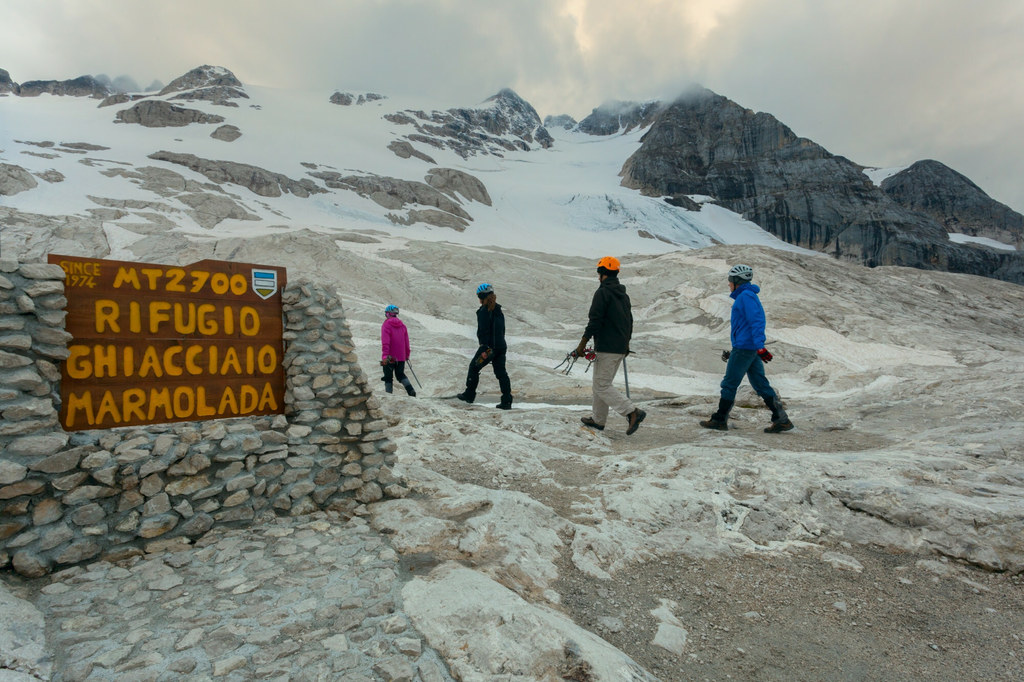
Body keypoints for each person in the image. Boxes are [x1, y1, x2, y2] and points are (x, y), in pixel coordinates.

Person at [700, 264, 793, 432]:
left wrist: (760, 347)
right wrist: (756, 348)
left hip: (744, 348)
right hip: (748, 348)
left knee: (729, 384)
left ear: (737, 281)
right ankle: (782, 419)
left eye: (730, 280)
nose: (728, 284)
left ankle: (720, 419)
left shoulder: (746, 297)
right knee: (760, 384)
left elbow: (756, 321)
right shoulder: (746, 296)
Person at [576, 257, 646, 435]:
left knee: (601, 385)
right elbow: (629, 321)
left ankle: (632, 412)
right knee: (600, 383)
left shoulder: (603, 293)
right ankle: (598, 420)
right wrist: (626, 344)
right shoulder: (623, 295)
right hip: (619, 347)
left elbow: (595, 320)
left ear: (602, 273)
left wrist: (582, 343)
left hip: (607, 346)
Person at [458, 283, 513, 409]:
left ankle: (469, 395)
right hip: (501, 347)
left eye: (478, 296)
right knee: (501, 373)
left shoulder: (484, 311)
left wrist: (484, 347)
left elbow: (483, 331)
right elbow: (502, 329)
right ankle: (507, 400)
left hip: (488, 348)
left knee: (473, 367)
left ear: (482, 296)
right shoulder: (498, 310)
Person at [380, 304, 416, 397]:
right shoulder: (403, 326)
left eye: (386, 313)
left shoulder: (386, 324)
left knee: (388, 377)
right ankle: (411, 391)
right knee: (400, 374)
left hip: (389, 356)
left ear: (388, 314)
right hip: (401, 356)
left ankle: (388, 395)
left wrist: (385, 356)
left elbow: (385, 342)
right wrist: (406, 355)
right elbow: (406, 342)